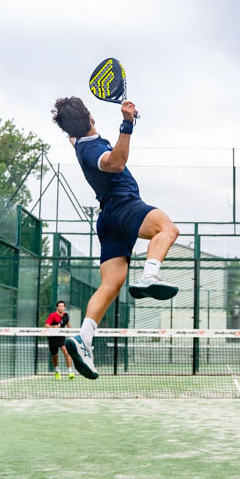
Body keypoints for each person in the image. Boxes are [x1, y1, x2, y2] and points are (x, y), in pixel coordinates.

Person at [51, 97, 180, 379]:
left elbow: (73, 135)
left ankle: (84, 339)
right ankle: (149, 275)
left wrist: (73, 122)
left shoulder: (79, 142)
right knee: (167, 230)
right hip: (123, 205)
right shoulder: (92, 149)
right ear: (89, 116)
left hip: (107, 218)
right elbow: (117, 163)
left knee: (111, 284)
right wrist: (127, 123)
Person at [45, 301, 74, 380]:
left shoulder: (66, 316)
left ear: (64, 308)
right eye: (59, 306)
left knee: (66, 352)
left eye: (62, 306)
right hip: (52, 337)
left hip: (61, 337)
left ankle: (70, 371)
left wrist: (72, 333)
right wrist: (54, 327)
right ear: (57, 307)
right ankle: (57, 370)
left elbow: (68, 325)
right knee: (55, 355)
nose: (61, 307)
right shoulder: (53, 315)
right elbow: (46, 325)